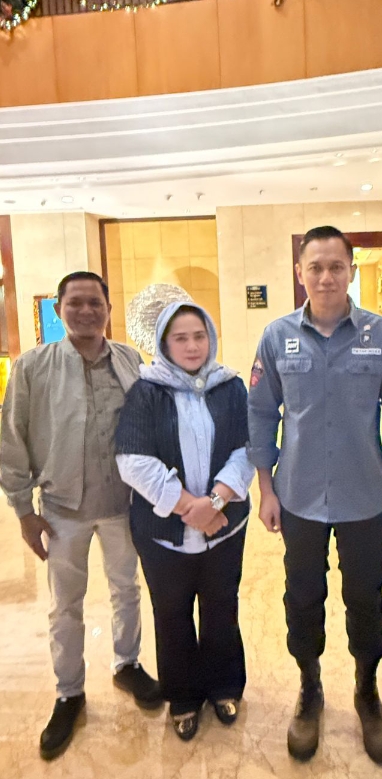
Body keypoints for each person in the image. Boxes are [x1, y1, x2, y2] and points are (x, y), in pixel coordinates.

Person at [247, 225, 382, 765]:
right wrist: (266, 489)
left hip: (366, 496)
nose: (325, 277)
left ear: (351, 271)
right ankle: (309, 688)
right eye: (315, 267)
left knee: (365, 597)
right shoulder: (276, 337)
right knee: (302, 597)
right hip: (297, 496)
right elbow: (260, 415)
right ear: (300, 273)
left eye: (336, 266)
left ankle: (367, 690)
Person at [0, 271, 162, 761]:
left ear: (108, 308)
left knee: (126, 589)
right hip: (62, 509)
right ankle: (69, 692)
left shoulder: (130, 360)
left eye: (95, 303)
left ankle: (127, 663)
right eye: (75, 303)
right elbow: (12, 438)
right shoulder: (33, 366)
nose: (86, 311)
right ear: (59, 309)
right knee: (65, 605)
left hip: (122, 505)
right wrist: (23, 511)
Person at [115, 302, 254, 741]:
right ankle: (183, 697)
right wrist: (191, 508)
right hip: (163, 535)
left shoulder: (230, 387)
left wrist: (215, 502)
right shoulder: (146, 391)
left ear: (211, 337)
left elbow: (248, 448)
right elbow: (133, 460)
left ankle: (224, 686)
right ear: (164, 344)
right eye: (181, 338)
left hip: (224, 528)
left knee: (221, 607)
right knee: (172, 613)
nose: (192, 346)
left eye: (199, 336)